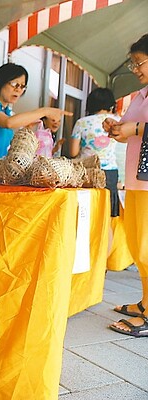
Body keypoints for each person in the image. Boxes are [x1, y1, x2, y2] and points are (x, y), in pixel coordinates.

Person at [102, 33, 148, 337]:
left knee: (147, 247)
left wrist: (137, 127)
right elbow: (132, 130)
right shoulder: (141, 95)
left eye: (139, 63)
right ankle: (146, 304)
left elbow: (140, 128)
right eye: (133, 65)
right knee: (138, 244)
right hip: (137, 180)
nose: (136, 70)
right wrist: (117, 127)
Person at [0, 63, 70, 177]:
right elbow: (8, 123)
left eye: (22, 86)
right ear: (1, 82)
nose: (18, 90)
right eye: (14, 84)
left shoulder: (7, 111)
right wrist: (45, 111)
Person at [69, 88, 121, 217]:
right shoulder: (118, 121)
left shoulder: (82, 122)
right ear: (111, 104)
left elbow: (73, 152)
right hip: (110, 172)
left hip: (86, 170)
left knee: (86, 211)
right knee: (107, 213)